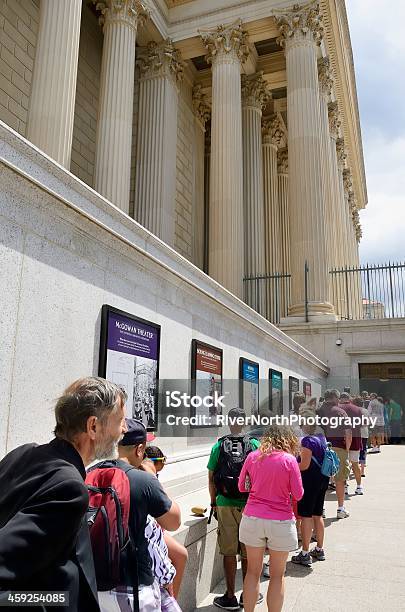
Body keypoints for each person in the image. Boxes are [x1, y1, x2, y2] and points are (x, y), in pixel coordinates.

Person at [0, 377, 128, 611]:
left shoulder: (23, 453)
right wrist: (57, 601)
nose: (124, 429)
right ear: (93, 427)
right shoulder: (69, 488)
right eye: (119, 421)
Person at [96, 419, 181, 612]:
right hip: (134, 587)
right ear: (139, 449)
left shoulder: (90, 473)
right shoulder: (143, 481)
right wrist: (152, 477)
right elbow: (174, 521)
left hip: (94, 585)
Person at [238, 425, 303, 612]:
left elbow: (242, 486)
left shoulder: (252, 456)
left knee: (252, 572)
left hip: (252, 518)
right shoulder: (289, 460)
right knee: (277, 575)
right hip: (281, 521)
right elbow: (298, 494)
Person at [207, 407, 261, 610]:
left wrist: (213, 501)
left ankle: (229, 596)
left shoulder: (219, 446)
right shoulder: (254, 444)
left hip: (224, 502)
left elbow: (211, 477)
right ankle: (247, 595)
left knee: (229, 551)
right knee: (248, 551)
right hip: (249, 504)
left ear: (229, 422)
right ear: (245, 422)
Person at [143, 446, 188, 600]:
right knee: (180, 555)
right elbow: (169, 511)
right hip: (146, 529)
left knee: (181, 555)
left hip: (154, 527)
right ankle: (169, 602)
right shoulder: (148, 476)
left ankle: (171, 602)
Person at [291, 411, 329, 567]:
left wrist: (290, 465)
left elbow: (304, 465)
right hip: (322, 480)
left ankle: (305, 553)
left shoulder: (307, 442)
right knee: (318, 515)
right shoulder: (321, 439)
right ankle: (319, 549)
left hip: (309, 482)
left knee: (306, 516)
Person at [317, 389, 352, 519]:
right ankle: (340, 509)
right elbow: (348, 433)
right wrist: (347, 449)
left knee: (322, 480)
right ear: (336, 398)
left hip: (320, 448)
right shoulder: (341, 412)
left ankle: (321, 509)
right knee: (340, 480)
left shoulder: (317, 412)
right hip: (338, 448)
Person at [338, 393, 364, 495]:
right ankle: (359, 487)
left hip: (342, 441)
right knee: (355, 464)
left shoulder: (338, 409)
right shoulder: (358, 409)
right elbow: (361, 425)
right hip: (356, 440)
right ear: (350, 399)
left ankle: (344, 487)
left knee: (343, 465)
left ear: (340, 399)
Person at [352, 396, 369, 477]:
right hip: (364, 433)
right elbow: (367, 422)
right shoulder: (366, 411)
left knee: (354, 450)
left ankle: (354, 467)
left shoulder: (354, 410)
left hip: (355, 433)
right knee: (363, 450)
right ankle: (362, 470)